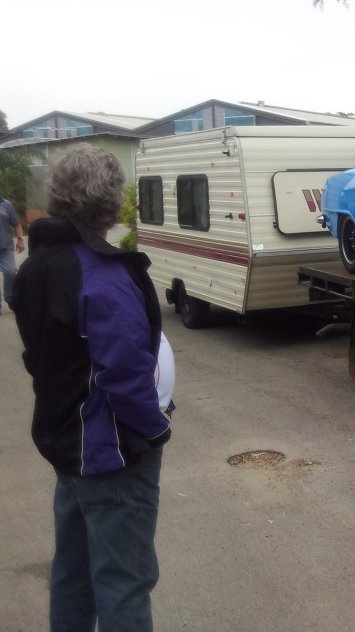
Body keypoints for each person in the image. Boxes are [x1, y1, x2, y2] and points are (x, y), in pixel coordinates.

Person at [12, 145, 173, 632]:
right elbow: (123, 372)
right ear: (112, 201)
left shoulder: (36, 264)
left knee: (74, 569)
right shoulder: (100, 274)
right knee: (125, 580)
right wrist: (155, 430)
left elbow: (42, 355)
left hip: (66, 439)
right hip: (111, 450)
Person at [0, 189, 25, 313]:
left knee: (10, 271)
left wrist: (20, 239)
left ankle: (9, 297)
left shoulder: (6, 204)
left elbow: (16, 224)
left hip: (5, 245)